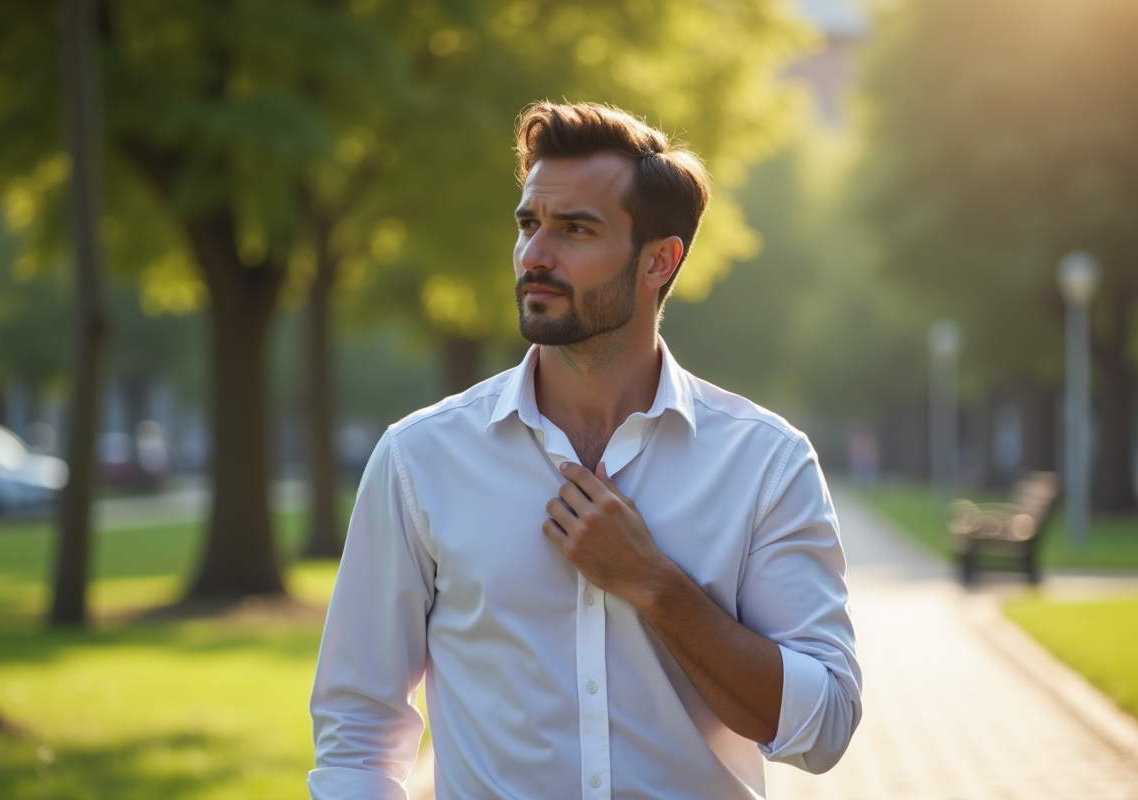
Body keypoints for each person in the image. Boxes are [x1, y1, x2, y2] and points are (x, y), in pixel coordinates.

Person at [309, 102, 861, 799]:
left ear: (659, 259)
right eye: (528, 224)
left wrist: (654, 584)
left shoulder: (765, 464)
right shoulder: (420, 459)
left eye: (575, 229)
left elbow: (826, 726)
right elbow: (356, 730)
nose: (535, 254)